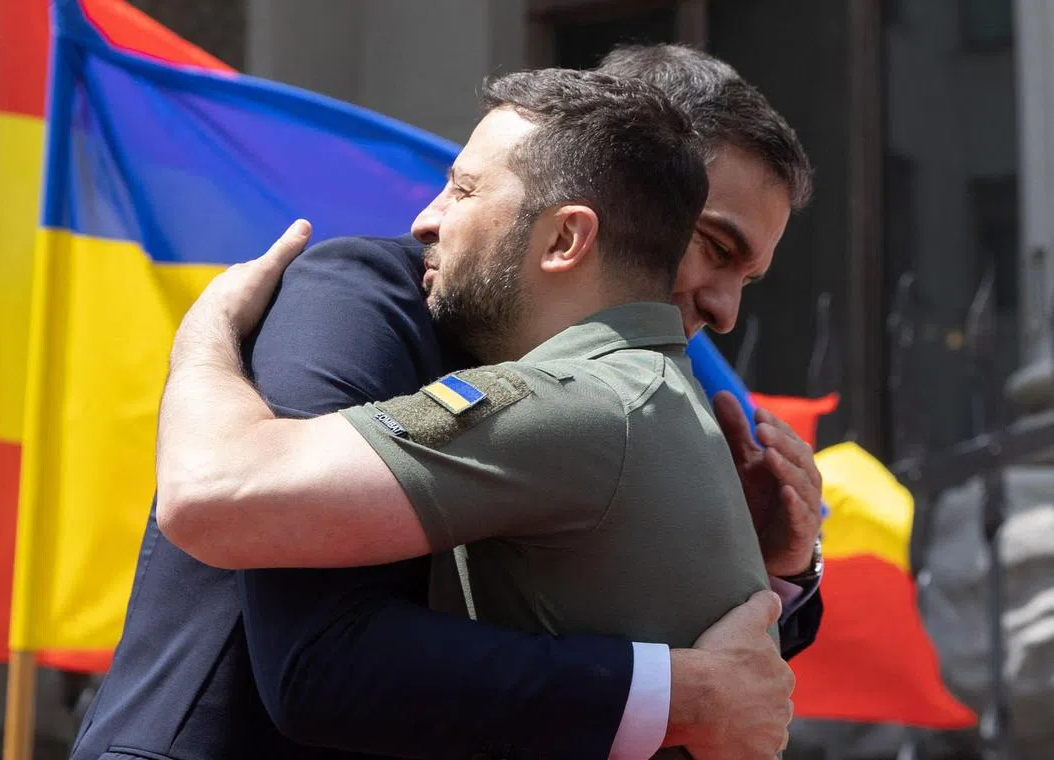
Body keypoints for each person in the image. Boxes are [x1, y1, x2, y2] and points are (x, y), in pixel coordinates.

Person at [70, 45, 820, 760]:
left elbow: (729, 698)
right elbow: (316, 650)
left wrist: (763, 571)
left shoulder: (631, 390)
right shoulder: (366, 298)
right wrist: (202, 337)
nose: (725, 308)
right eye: (715, 245)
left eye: (748, 277)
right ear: (624, 183)